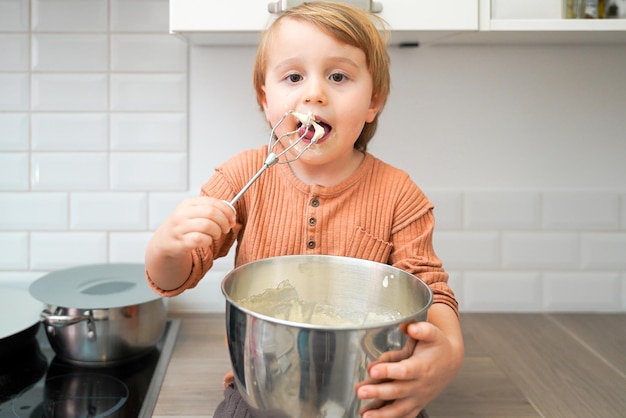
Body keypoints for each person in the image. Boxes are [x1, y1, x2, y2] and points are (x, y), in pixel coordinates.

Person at [145, 2, 463, 417]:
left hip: (367, 393)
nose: (314, 92)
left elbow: (431, 291)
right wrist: (166, 248)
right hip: (263, 388)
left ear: (373, 101)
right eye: (293, 76)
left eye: (338, 76)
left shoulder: (400, 194)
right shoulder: (241, 177)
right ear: (266, 97)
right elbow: (174, 278)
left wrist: (450, 354)